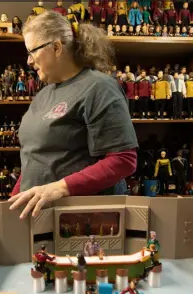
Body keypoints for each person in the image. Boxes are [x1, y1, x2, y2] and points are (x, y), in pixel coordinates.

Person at [8, 11, 138, 219]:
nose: (29, 62)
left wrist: (59, 188)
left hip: (79, 217)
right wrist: (12, 202)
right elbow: (35, 159)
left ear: (57, 47)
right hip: (38, 215)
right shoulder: (42, 95)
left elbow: (123, 160)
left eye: (32, 52)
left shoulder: (99, 87)